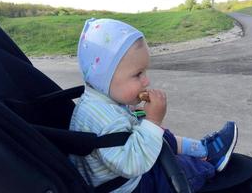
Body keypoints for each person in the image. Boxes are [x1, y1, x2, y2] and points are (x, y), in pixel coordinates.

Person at [69, 18, 238, 193]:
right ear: (105, 77)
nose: (146, 80)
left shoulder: (99, 101)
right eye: (138, 74)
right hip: (131, 185)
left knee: (161, 134)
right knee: (183, 166)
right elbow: (133, 163)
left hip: (124, 163)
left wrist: (140, 115)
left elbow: (122, 125)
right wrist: (152, 120)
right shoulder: (105, 121)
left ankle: (202, 148)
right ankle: (210, 164)